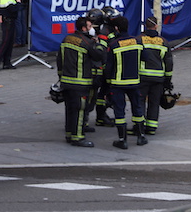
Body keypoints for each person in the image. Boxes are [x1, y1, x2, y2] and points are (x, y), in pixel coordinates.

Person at [58, 15, 104, 147]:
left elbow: (59, 60)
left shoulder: (66, 39)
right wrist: (97, 43)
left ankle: (69, 133)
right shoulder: (87, 42)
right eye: (90, 27)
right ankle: (78, 137)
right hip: (81, 82)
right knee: (79, 109)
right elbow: (99, 55)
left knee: (70, 108)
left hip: (66, 81)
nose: (91, 29)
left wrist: (61, 77)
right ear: (84, 28)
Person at [105, 15, 147, 149]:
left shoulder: (113, 45)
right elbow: (144, 58)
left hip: (118, 84)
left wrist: (107, 83)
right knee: (137, 108)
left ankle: (122, 140)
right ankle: (141, 137)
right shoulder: (138, 42)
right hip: (135, 82)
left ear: (116, 28)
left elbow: (108, 67)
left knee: (119, 112)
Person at [138, 16, 173, 135]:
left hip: (142, 77)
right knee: (154, 102)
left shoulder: (139, 40)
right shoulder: (163, 42)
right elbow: (168, 62)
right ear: (156, 26)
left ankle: (140, 126)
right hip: (158, 78)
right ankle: (151, 127)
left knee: (140, 101)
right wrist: (168, 79)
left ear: (145, 26)